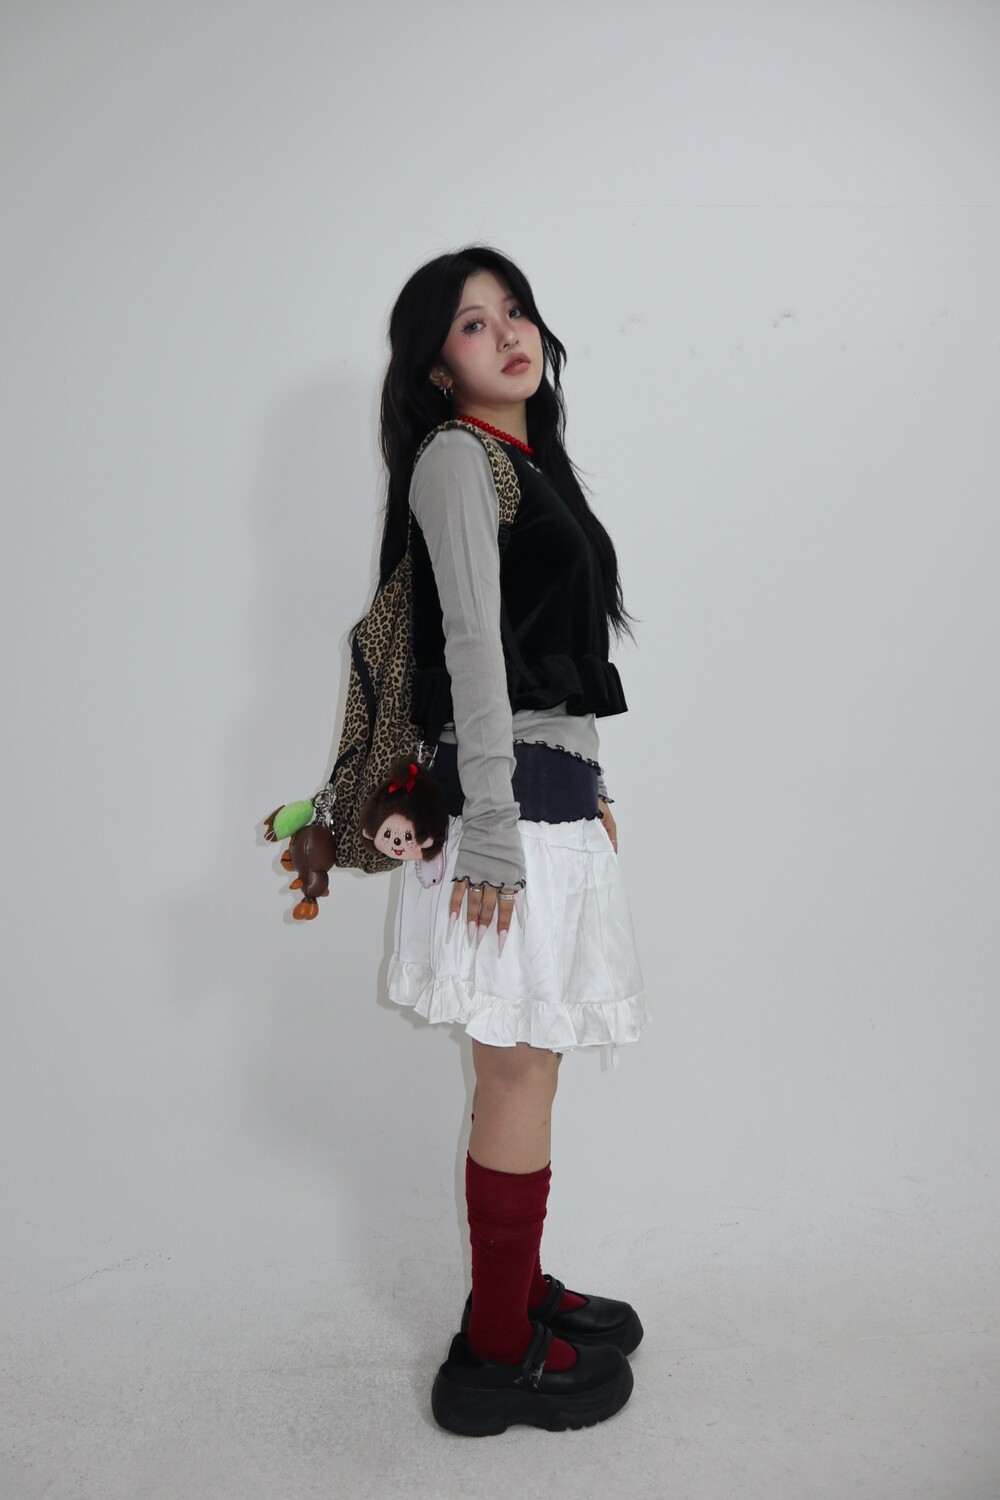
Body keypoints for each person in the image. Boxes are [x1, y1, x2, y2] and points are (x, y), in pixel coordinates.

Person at [376, 246, 650, 1435]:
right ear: (438, 367)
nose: (507, 334)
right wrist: (491, 817)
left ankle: (511, 1291)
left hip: (542, 787)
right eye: (473, 323)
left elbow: (552, 657)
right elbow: (472, 647)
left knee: (526, 1065)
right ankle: (495, 1354)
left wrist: (585, 777)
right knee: (517, 1069)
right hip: (503, 806)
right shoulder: (456, 458)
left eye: (515, 311)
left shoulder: (530, 466)